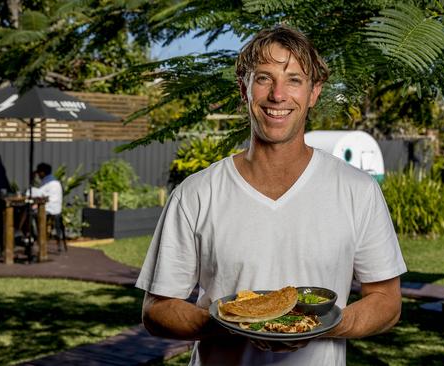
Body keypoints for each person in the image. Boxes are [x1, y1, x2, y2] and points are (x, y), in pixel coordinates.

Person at [136, 25, 407, 365]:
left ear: (314, 92)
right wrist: (234, 323)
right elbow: (156, 310)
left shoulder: (358, 191)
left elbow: (387, 301)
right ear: (243, 89)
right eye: (264, 78)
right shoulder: (196, 193)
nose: (278, 95)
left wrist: (319, 327)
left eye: (294, 79)